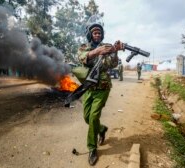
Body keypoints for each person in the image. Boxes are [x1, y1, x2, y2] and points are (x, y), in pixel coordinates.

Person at [77, 17, 125, 166]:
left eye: (99, 33)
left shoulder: (107, 47)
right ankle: (102, 129)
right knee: (87, 117)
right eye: (95, 33)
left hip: (103, 88)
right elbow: (81, 58)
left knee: (93, 116)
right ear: (90, 35)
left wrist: (115, 51)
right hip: (88, 87)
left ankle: (92, 148)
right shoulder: (84, 47)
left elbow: (112, 64)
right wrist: (97, 51)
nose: (97, 35)